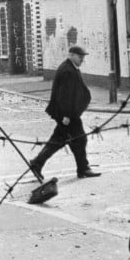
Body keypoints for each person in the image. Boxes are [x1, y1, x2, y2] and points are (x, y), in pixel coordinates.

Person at [30, 45, 100, 179]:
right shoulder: (68, 71)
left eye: (83, 57)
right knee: (78, 139)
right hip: (67, 115)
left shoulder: (70, 68)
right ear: (71, 55)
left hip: (67, 114)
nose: (82, 60)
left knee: (61, 140)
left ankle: (37, 163)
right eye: (80, 57)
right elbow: (65, 96)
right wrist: (67, 115)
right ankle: (83, 168)